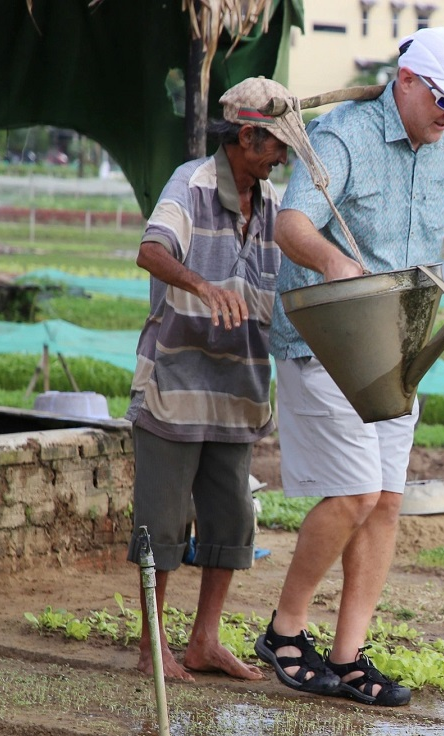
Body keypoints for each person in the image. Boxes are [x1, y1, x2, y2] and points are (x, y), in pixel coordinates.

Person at [256, 27, 444, 705]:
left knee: (387, 503)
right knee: (353, 495)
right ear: (407, 82)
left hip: (400, 344)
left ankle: (348, 655)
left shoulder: (443, 143)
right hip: (329, 340)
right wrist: (337, 262)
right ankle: (285, 631)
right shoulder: (344, 137)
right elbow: (292, 224)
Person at [126, 77, 307, 682]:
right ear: (247, 135)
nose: (282, 156)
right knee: (164, 519)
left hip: (238, 389)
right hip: (176, 383)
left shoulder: (275, 202)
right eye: (275, 144)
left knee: (230, 521)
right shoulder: (192, 183)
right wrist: (202, 287)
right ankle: (155, 647)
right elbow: (151, 251)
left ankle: (204, 641)